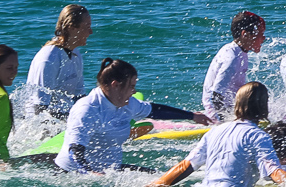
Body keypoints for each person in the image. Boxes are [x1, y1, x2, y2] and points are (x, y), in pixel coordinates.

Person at [54, 58, 211, 174]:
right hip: (73, 174)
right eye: (131, 86)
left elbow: (154, 111)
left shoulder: (126, 103)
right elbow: (74, 150)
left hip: (109, 170)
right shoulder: (88, 109)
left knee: (160, 177)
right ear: (115, 85)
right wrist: (90, 173)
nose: (134, 92)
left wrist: (191, 116)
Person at [149, 82, 286, 187]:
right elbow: (274, 172)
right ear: (264, 106)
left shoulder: (214, 132)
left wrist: (154, 186)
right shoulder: (259, 136)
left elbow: (185, 166)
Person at [26, 5, 92, 117]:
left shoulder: (75, 54)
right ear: (71, 28)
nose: (90, 32)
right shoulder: (49, 58)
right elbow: (39, 108)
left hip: (63, 115)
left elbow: (79, 97)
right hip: (41, 122)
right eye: (86, 27)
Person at [201, 11, 266, 120]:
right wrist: (222, 122)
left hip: (231, 108)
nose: (263, 38)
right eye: (260, 34)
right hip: (216, 113)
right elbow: (216, 96)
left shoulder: (240, 52)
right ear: (245, 34)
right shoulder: (231, 58)